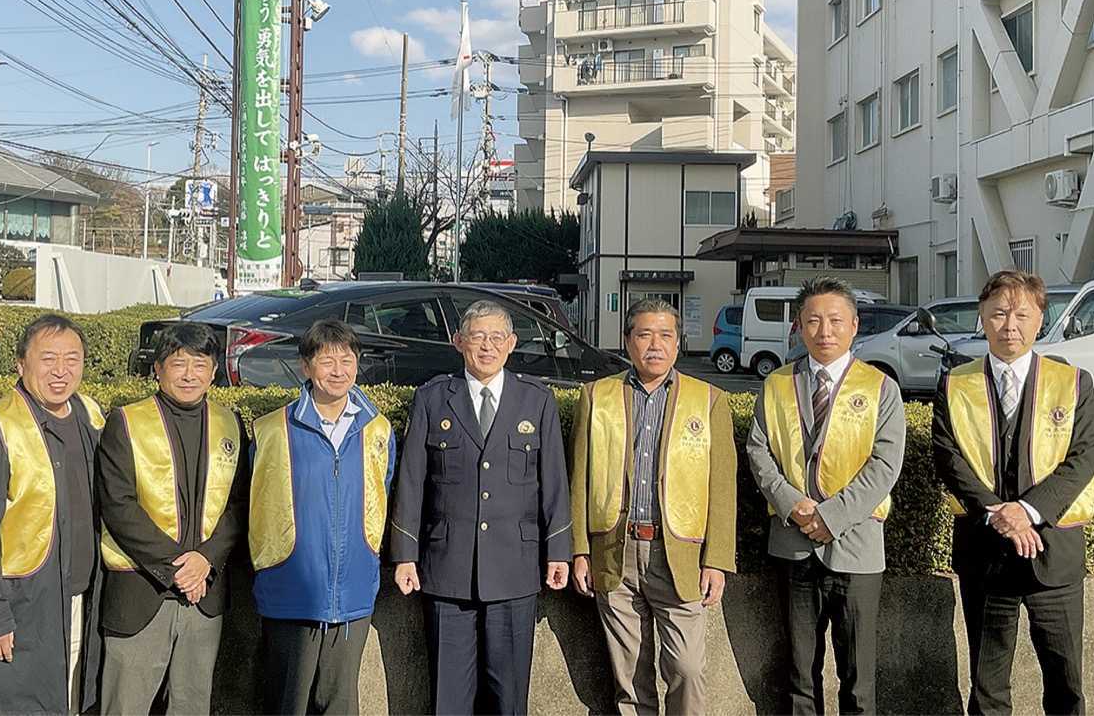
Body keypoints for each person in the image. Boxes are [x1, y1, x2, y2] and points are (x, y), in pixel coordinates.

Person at [390, 299, 571, 715]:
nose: (486, 346)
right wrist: (404, 556)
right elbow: (412, 481)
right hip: (447, 571)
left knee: (509, 699)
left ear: (511, 344)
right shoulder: (434, 399)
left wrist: (559, 551)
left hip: (514, 570)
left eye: (495, 338)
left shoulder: (536, 400)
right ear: (459, 342)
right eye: (477, 337)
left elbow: (554, 482)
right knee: (448, 699)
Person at [932, 270, 1094, 715]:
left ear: (1040, 320)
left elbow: (1081, 458)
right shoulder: (955, 384)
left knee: (1066, 687)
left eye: (1022, 314)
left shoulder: (1073, 383)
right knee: (987, 690)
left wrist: (1026, 511)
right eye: (999, 313)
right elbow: (949, 457)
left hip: (1055, 555)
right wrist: (998, 515)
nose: (1011, 325)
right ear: (981, 318)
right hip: (985, 555)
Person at [746, 276, 905, 715]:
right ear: (798, 326)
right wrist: (792, 505)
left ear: (855, 326)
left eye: (835, 320)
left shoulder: (880, 387)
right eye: (813, 321)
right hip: (793, 547)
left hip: (857, 548)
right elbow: (758, 450)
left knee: (859, 679)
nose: (824, 331)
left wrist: (830, 517)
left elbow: (885, 466)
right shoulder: (777, 383)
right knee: (799, 677)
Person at [569, 298, 737, 715]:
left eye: (666, 335)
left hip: (679, 554)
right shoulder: (596, 397)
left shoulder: (709, 400)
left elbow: (722, 487)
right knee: (629, 676)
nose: (655, 345)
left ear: (679, 344)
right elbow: (579, 480)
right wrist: (579, 549)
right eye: (644, 334)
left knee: (688, 668)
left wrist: (717, 559)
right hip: (615, 551)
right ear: (627, 342)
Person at [0, 315, 105, 716]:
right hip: (18, 610)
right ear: (21, 364)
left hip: (75, 605)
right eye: (48, 358)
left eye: (72, 358)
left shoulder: (89, 416)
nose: (61, 370)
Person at [96, 322, 248, 715]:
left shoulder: (229, 423)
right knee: (125, 705)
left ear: (214, 372)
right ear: (158, 369)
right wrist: (180, 568)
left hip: (205, 594)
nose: (189, 375)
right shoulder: (125, 423)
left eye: (200, 365)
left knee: (192, 705)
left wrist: (205, 560)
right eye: (179, 364)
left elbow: (238, 504)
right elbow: (118, 505)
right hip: (140, 591)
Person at [249, 320, 396, 715]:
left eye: (347, 359)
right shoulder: (272, 429)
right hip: (289, 588)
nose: (338, 370)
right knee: (287, 702)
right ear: (305, 367)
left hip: (352, 591)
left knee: (340, 702)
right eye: (326, 360)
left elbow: (385, 492)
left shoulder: (377, 429)